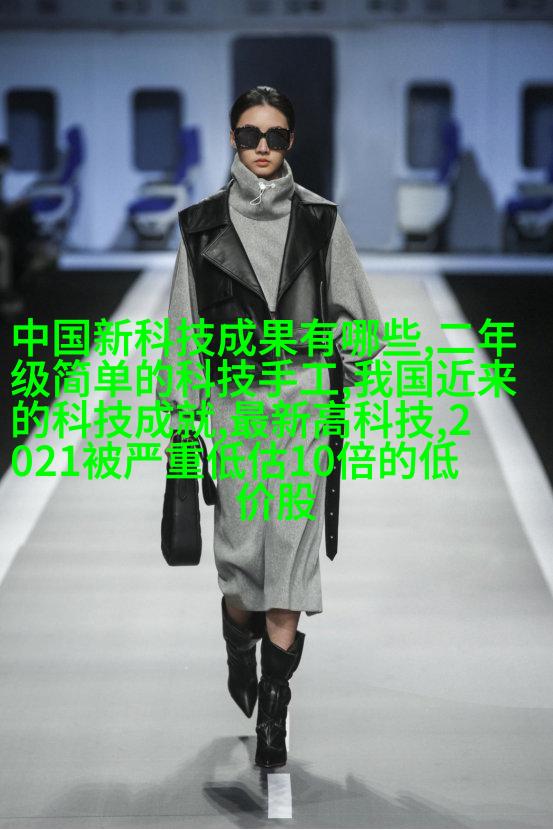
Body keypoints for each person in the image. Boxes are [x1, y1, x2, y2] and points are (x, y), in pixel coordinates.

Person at [157, 85, 386, 768]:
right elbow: (183, 329)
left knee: (288, 561)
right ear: (233, 140)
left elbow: (361, 317)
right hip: (233, 409)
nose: (263, 146)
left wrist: (344, 359)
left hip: (303, 410)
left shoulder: (320, 220)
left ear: (291, 141)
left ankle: (274, 712)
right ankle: (238, 641)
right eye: (251, 135)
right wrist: (182, 417)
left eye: (276, 135)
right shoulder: (200, 226)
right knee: (239, 569)